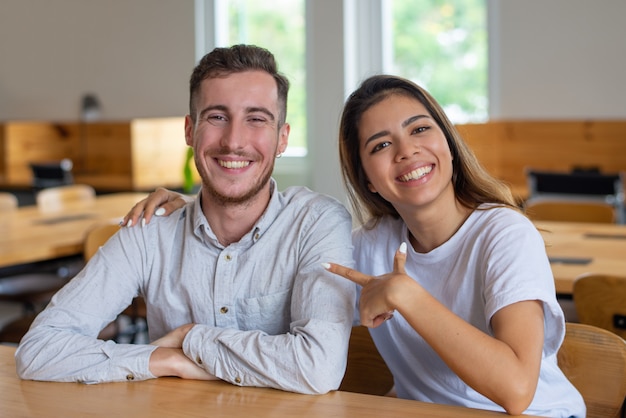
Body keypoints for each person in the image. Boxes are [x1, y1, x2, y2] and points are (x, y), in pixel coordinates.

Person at [128, 75, 585, 416]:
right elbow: (263, 289)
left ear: (447, 140)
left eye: (420, 129)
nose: (406, 151)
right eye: (381, 144)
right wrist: (203, 205)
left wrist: (408, 296)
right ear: (367, 176)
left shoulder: (504, 233)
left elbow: (516, 390)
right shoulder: (366, 248)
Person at [15, 44, 356, 395]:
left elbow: (319, 368)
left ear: (282, 138)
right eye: (217, 117)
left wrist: (192, 338)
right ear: (190, 131)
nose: (234, 141)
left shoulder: (316, 224)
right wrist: (167, 360)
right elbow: (39, 350)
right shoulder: (150, 230)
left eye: (256, 119)